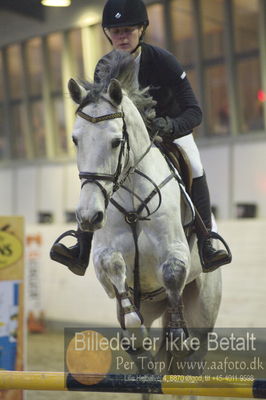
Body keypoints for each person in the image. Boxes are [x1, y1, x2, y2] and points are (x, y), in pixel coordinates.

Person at [50, 0, 231, 275]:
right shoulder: (105, 65)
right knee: (97, 167)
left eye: (128, 30)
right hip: (127, 140)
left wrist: (169, 125)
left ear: (142, 30)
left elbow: (194, 111)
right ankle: (82, 246)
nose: (122, 36)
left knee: (194, 163)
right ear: (107, 33)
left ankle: (207, 242)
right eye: (116, 31)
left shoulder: (163, 61)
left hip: (168, 133)